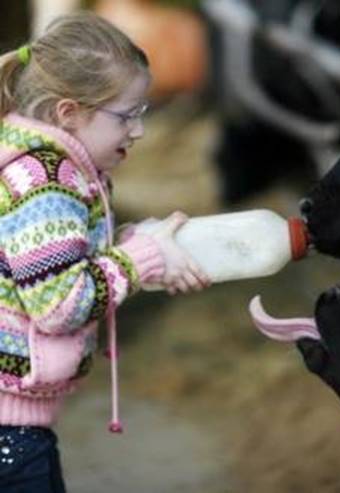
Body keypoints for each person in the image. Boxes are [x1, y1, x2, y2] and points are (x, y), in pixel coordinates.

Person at [0, 11, 210, 492]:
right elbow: (58, 302)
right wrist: (138, 259)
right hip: (9, 438)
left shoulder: (49, 167)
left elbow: (49, 264)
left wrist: (141, 246)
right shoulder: (46, 183)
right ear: (68, 113)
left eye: (142, 112)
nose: (138, 130)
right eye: (127, 115)